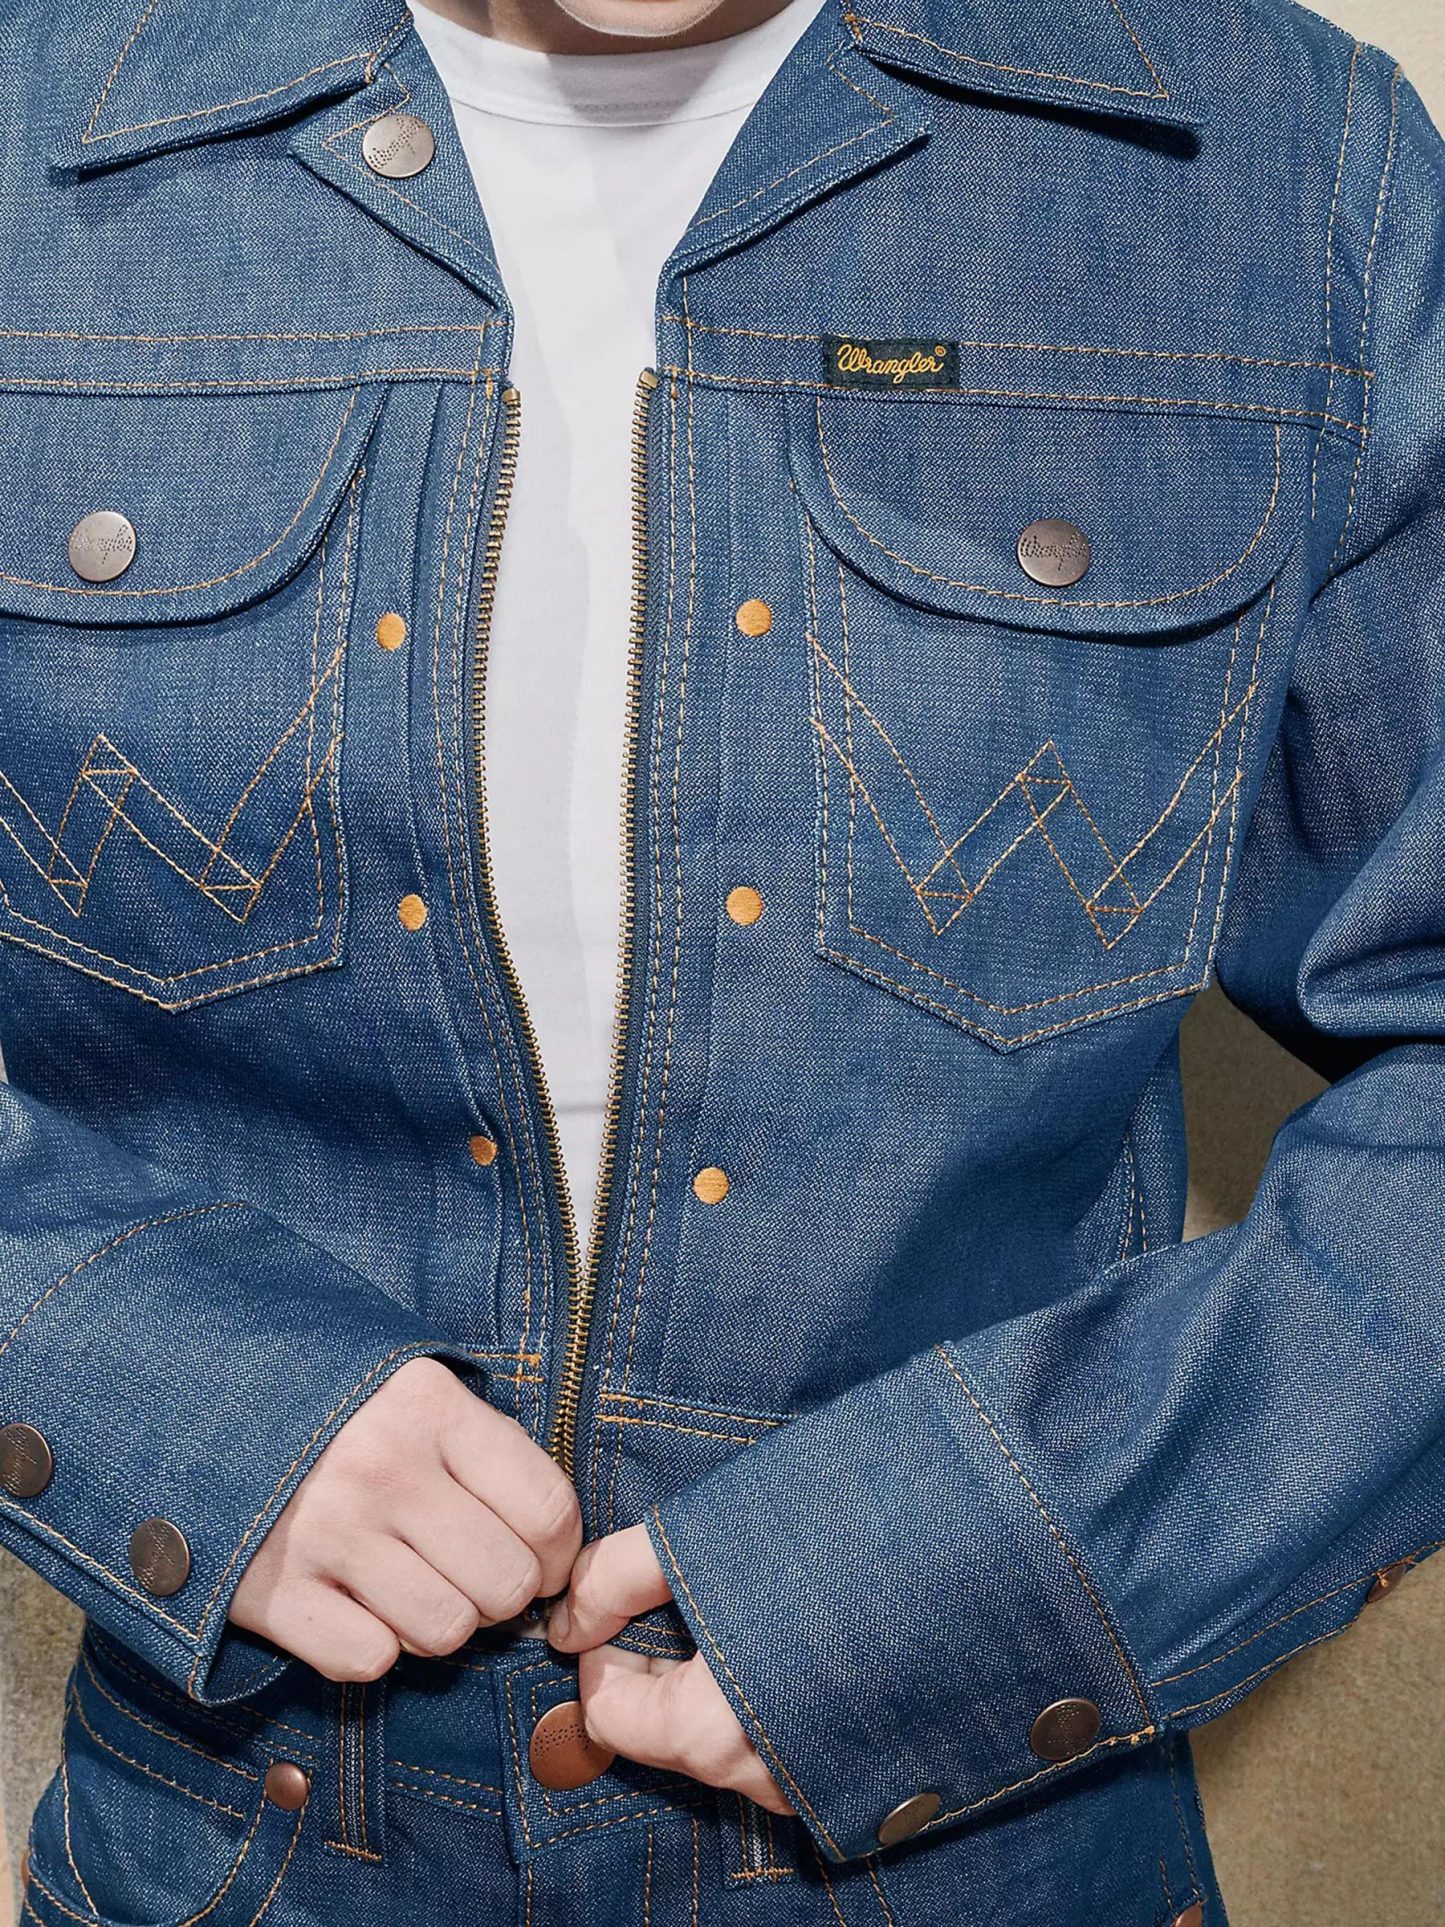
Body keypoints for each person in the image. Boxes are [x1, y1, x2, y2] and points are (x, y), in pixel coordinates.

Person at [0, 0, 1440, 1918]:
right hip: (226, 1850)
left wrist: (1014, 1565)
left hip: (992, 1868)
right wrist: (141, 1383)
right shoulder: (34, 121)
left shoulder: (1282, 169)